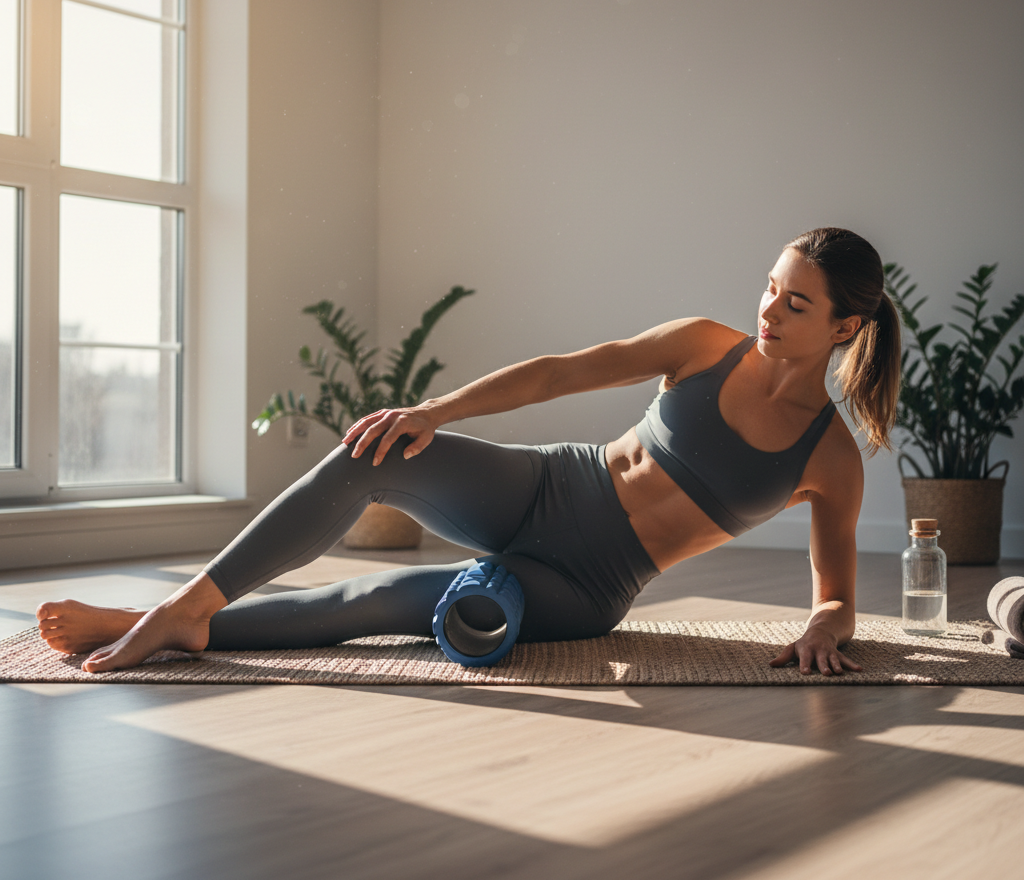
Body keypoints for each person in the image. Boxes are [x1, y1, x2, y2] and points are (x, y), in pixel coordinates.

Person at [37, 227, 901, 677]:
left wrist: (828, 626)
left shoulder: (830, 459)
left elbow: (835, 598)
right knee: (376, 448)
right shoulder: (705, 345)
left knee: (376, 598)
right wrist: (432, 409)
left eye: (796, 304)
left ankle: (173, 629)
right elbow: (559, 375)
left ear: (846, 326)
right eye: (770, 288)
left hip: (588, 585)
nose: (769, 310)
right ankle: (190, 604)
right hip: (553, 485)